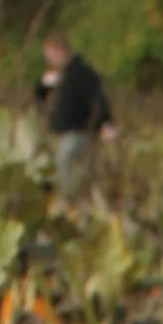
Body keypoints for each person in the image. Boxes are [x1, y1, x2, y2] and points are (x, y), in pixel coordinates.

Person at [36, 35, 114, 201]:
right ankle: (78, 199)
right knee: (71, 168)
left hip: (79, 130)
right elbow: (40, 96)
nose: (49, 60)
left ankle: (69, 200)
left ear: (60, 51)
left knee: (65, 162)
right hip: (62, 132)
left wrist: (106, 123)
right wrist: (43, 84)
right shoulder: (59, 74)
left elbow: (97, 97)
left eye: (50, 55)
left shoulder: (80, 72)